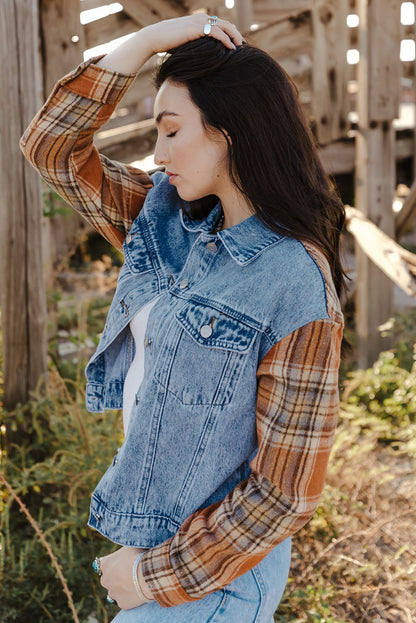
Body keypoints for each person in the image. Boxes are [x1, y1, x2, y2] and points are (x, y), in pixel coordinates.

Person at [20, 13, 345, 623]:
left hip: (220, 575)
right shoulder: (165, 220)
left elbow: (285, 494)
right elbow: (52, 148)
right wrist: (146, 43)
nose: (157, 152)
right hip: (161, 545)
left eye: (171, 131)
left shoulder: (295, 282)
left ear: (231, 133)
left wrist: (150, 577)